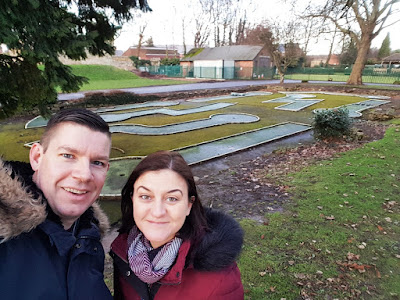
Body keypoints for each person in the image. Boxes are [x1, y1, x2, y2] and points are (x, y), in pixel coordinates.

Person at [0, 108, 113, 300]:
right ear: (37, 157)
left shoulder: (90, 239)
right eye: (68, 155)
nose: (84, 175)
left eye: (97, 162)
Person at [110, 150, 244, 300]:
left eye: (172, 198)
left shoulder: (220, 280)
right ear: (133, 199)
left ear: (188, 205)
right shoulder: (123, 251)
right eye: (146, 196)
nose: (158, 212)